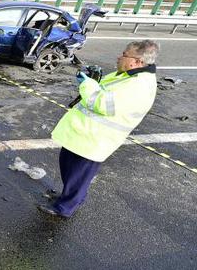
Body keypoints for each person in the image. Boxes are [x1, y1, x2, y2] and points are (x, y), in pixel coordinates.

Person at [38, 40, 160, 218]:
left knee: (78, 177)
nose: (120, 57)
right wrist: (92, 79)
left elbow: (102, 103)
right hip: (84, 134)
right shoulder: (128, 75)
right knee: (70, 171)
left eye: (125, 54)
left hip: (95, 140)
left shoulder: (138, 85)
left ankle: (64, 208)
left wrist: (86, 84)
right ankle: (69, 197)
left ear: (137, 61)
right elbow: (102, 90)